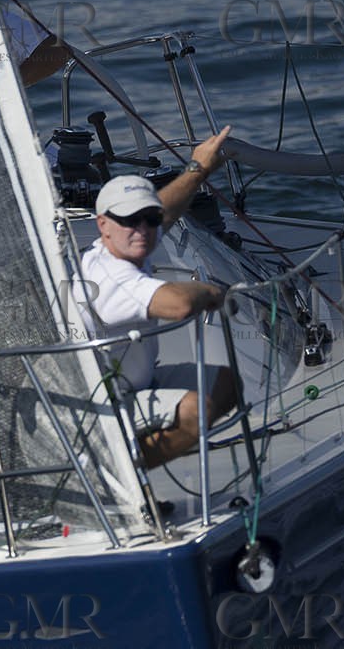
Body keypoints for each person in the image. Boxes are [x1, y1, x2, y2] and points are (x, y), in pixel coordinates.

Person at [78, 126, 239, 467]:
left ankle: (133, 462)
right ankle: (116, 475)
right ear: (102, 224)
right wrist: (211, 290)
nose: (142, 229)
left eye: (148, 220)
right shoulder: (110, 277)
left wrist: (197, 169)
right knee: (199, 410)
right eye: (129, 220)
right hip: (103, 405)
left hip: (138, 382)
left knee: (226, 384)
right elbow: (179, 305)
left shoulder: (123, 244)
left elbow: (163, 210)